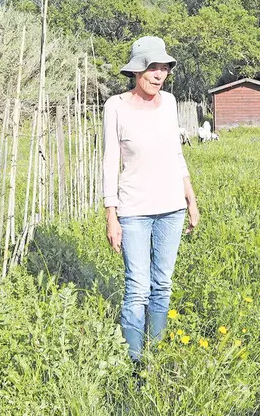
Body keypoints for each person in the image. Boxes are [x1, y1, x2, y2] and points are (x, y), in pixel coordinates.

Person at [103, 35, 200, 366]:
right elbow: (108, 161)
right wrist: (110, 215)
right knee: (137, 288)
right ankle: (134, 362)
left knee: (162, 285)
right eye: (151, 68)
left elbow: (176, 152)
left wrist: (190, 196)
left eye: (164, 68)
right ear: (136, 71)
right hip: (133, 212)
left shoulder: (170, 103)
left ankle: (155, 355)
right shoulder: (115, 106)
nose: (159, 75)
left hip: (171, 208)